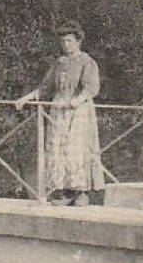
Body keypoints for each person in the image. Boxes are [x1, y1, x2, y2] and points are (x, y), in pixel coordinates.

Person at [14, 21, 103, 206]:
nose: (66, 45)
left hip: (78, 110)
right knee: (57, 148)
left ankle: (80, 193)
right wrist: (27, 97)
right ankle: (63, 192)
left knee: (75, 149)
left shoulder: (87, 62)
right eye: (63, 41)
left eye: (70, 41)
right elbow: (46, 87)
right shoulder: (60, 63)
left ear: (78, 41)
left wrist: (77, 100)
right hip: (58, 110)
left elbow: (91, 87)